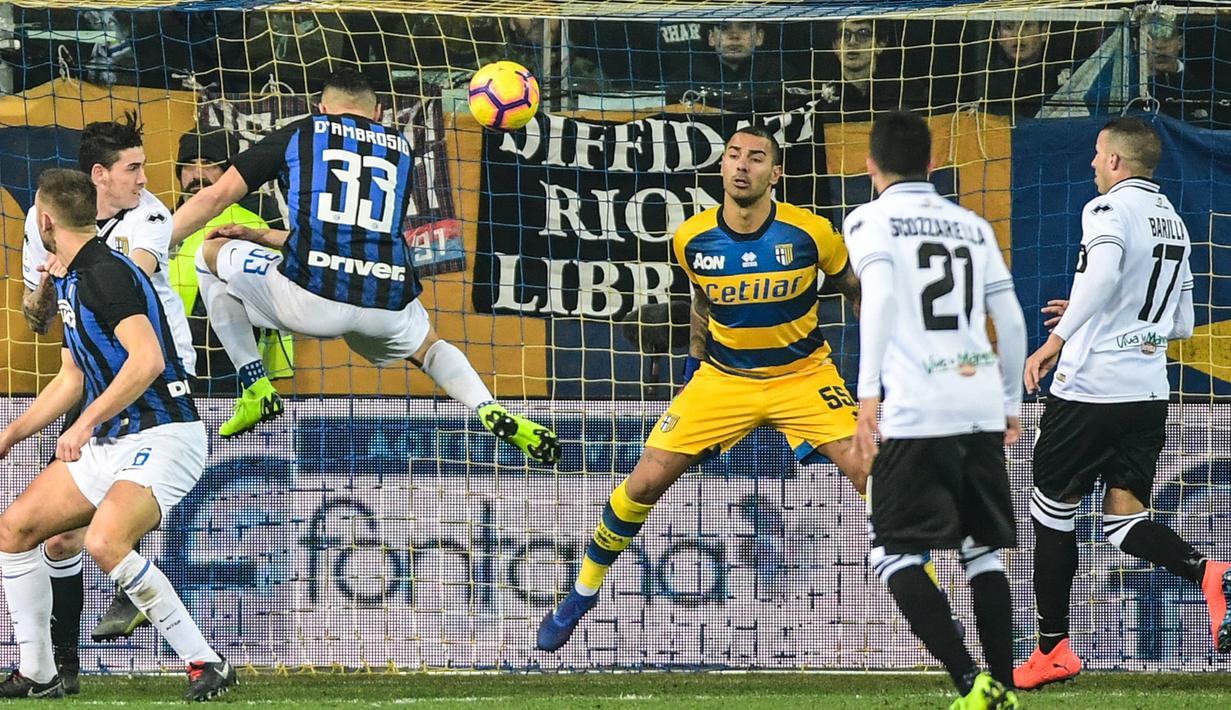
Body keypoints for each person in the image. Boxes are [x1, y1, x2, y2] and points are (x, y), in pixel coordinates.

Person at [536, 125, 866, 652]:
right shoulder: (690, 237)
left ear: (776, 174)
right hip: (722, 379)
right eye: (734, 155)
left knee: (874, 473)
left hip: (804, 376)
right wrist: (693, 369)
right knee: (643, 483)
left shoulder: (811, 234)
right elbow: (702, 305)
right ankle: (580, 593)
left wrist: (877, 371)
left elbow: (856, 291)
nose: (742, 165)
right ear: (721, 168)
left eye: (757, 158)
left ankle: (931, 599)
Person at [169, 69, 559, 463]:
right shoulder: (401, 149)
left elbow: (215, 198)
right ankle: (485, 405)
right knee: (429, 345)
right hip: (383, 302)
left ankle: (254, 387)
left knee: (211, 251)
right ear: (378, 113)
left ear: (322, 109)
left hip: (310, 300)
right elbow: (350, 235)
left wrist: (157, 246)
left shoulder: (302, 132)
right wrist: (262, 236)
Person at [0, 169, 236, 701]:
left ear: (44, 221)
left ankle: (205, 661)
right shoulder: (74, 275)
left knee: (106, 542)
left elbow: (147, 360)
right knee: (15, 530)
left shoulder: (104, 275)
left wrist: (83, 423)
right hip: (114, 439)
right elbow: (73, 376)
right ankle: (38, 671)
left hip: (165, 434)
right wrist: (11, 434)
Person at [1016, 116, 1231, 689]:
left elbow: (1106, 270)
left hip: (1091, 389)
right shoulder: (1176, 225)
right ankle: (1208, 571)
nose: (1091, 165)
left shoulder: (1106, 210)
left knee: (1050, 512)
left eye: (1096, 155)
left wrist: (1058, 342)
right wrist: (1104, 316)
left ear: (1115, 161)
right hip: (1147, 391)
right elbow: (1180, 320)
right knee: (1121, 517)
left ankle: (1051, 648)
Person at [845, 110, 1026, 709]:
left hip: (918, 405)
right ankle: (1003, 687)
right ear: (932, 164)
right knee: (982, 550)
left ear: (870, 166)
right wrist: (1009, 400)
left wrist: (868, 390)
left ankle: (970, 681)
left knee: (892, 554)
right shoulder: (970, 224)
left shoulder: (870, 218)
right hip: (977, 401)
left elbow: (882, 298)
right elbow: (1012, 317)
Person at [19, 113, 197, 691]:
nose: (145, 180)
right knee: (48, 535)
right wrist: (53, 283)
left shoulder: (142, 225)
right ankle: (53, 669)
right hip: (97, 378)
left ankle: (133, 585)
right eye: (133, 169)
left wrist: (76, 267)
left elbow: (125, 295)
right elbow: (42, 321)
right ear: (97, 176)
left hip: (153, 386)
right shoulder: (52, 229)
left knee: (99, 538)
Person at [169, 129, 293, 395]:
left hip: (229, 348)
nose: (197, 174)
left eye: (208, 164)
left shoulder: (253, 216)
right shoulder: (165, 222)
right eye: (189, 166)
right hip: (171, 349)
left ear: (229, 172)